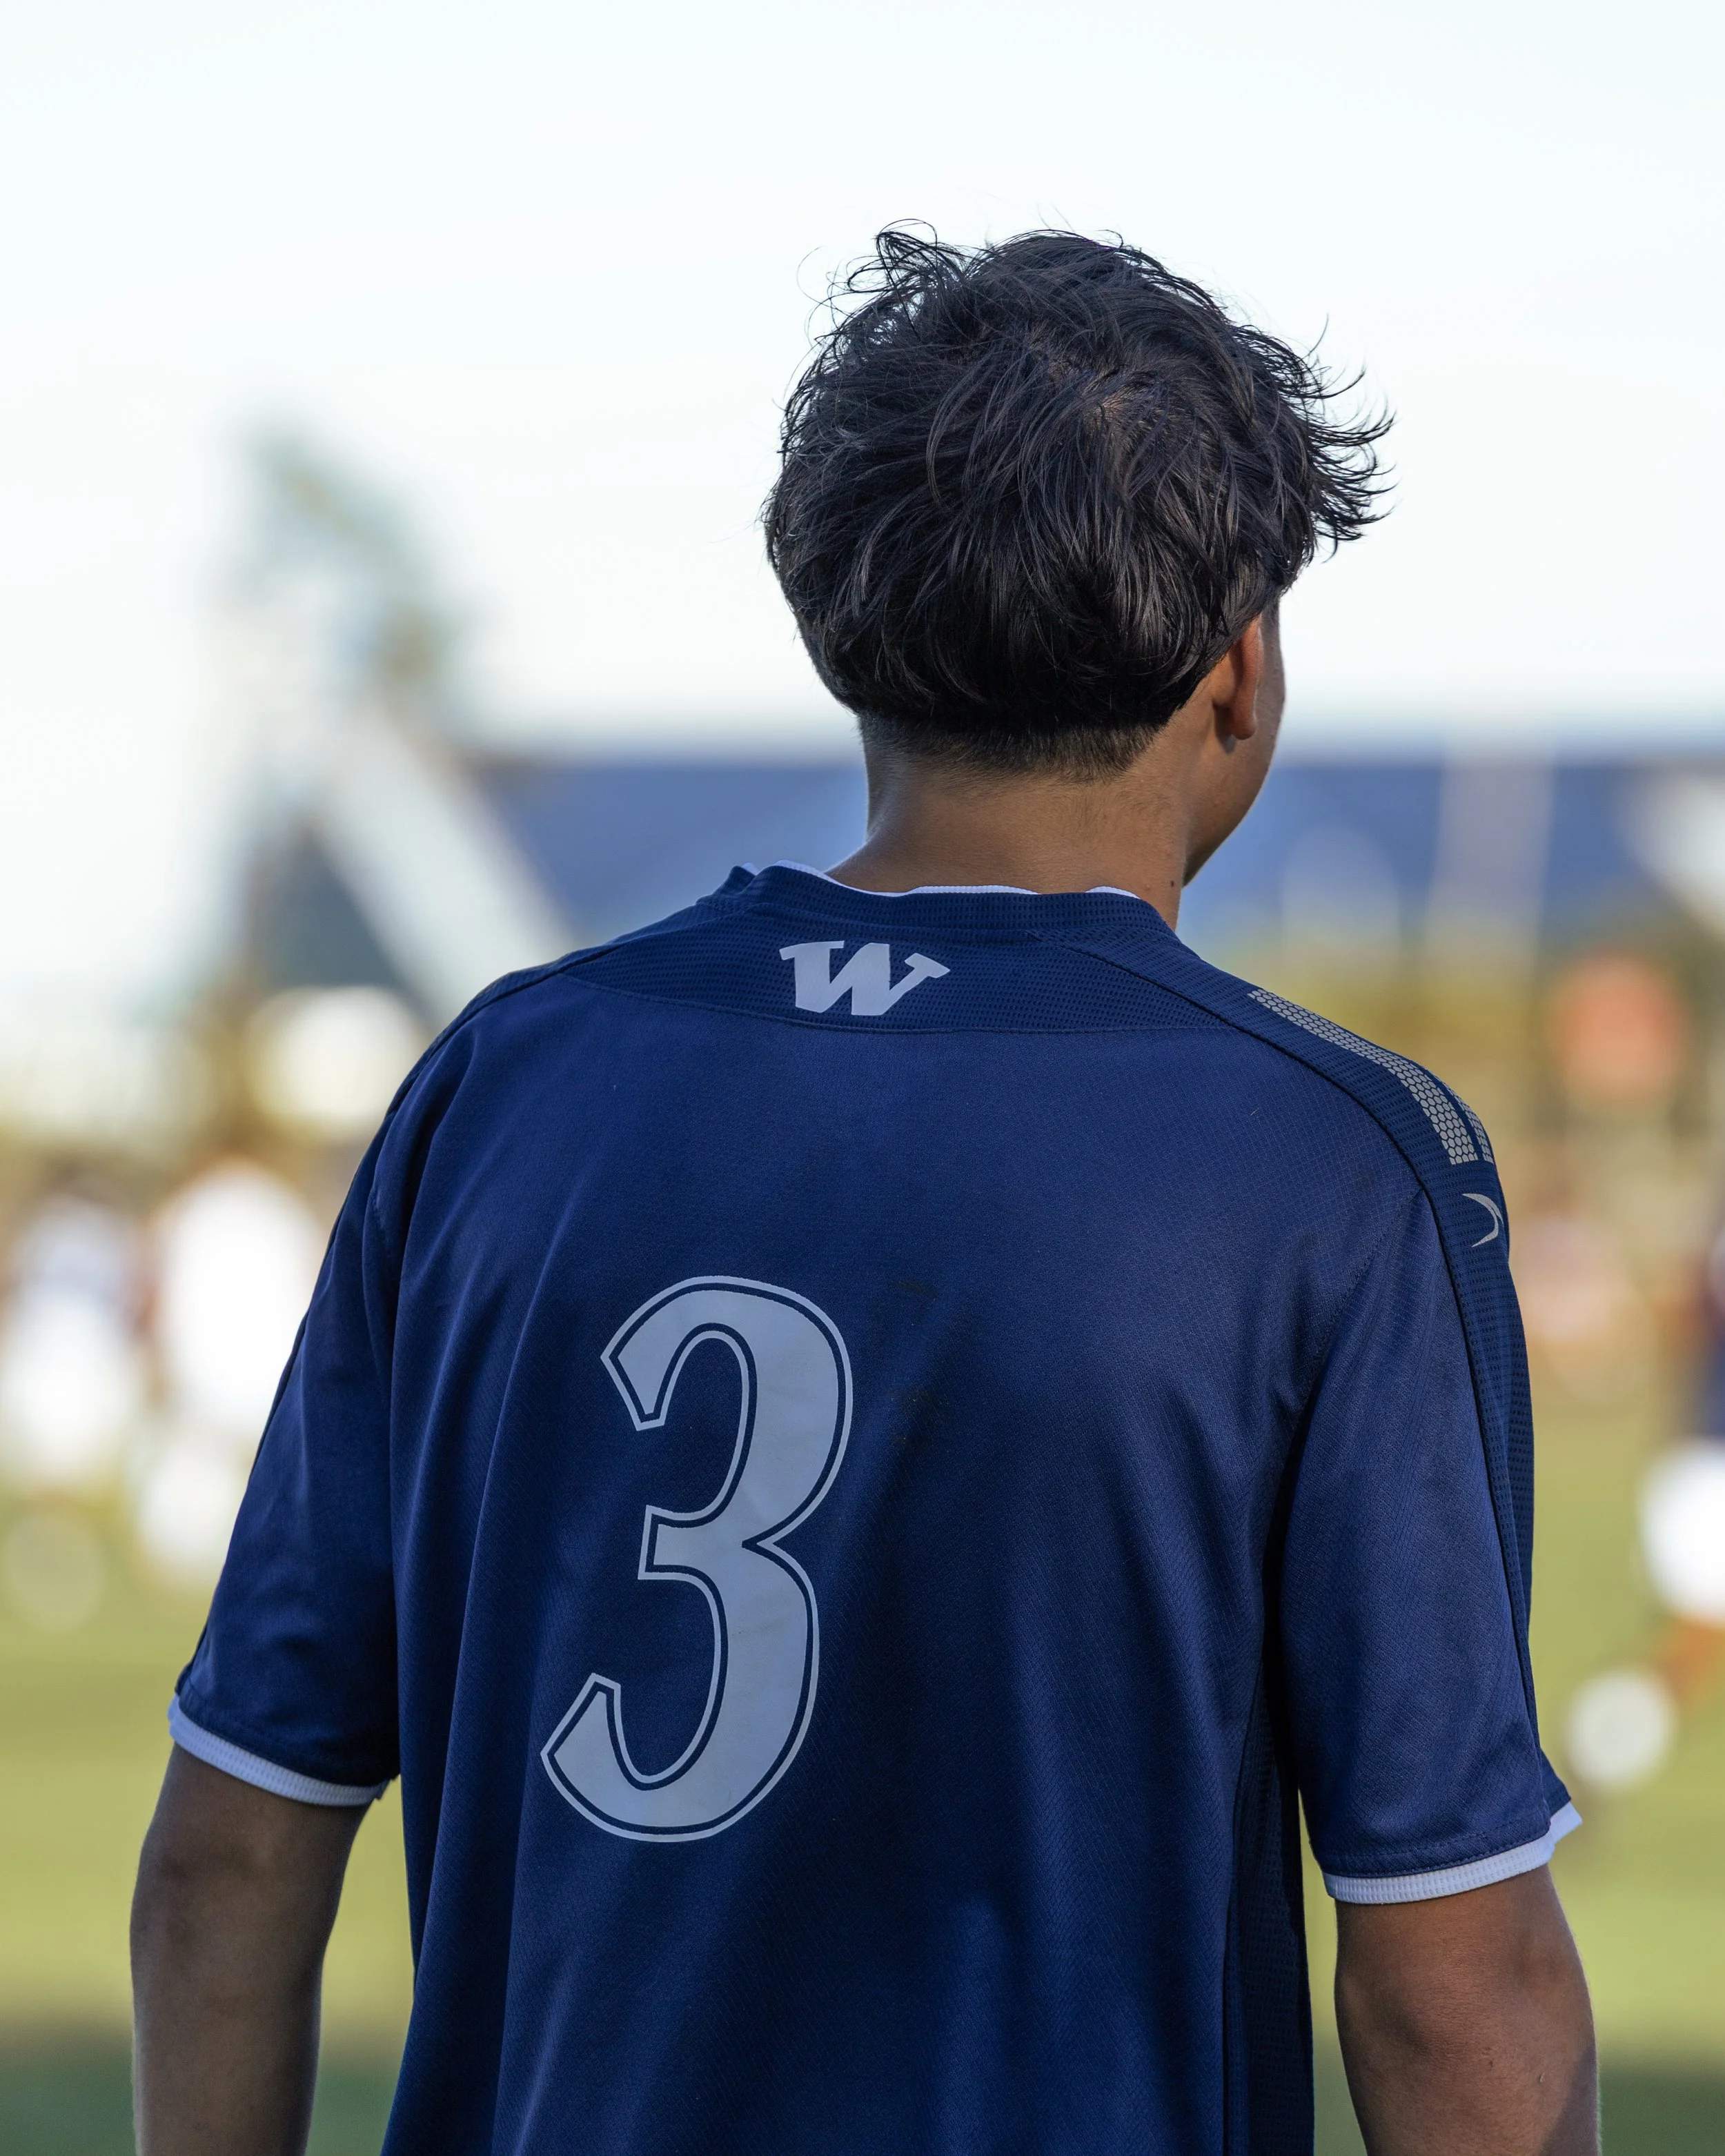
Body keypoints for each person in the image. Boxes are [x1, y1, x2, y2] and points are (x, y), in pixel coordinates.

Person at [132, 230, 1597, 2156]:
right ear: (1239, 667)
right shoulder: (1327, 1158)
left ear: (846, 629)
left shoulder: (504, 1083)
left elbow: (231, 1852)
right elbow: (1449, 1981)